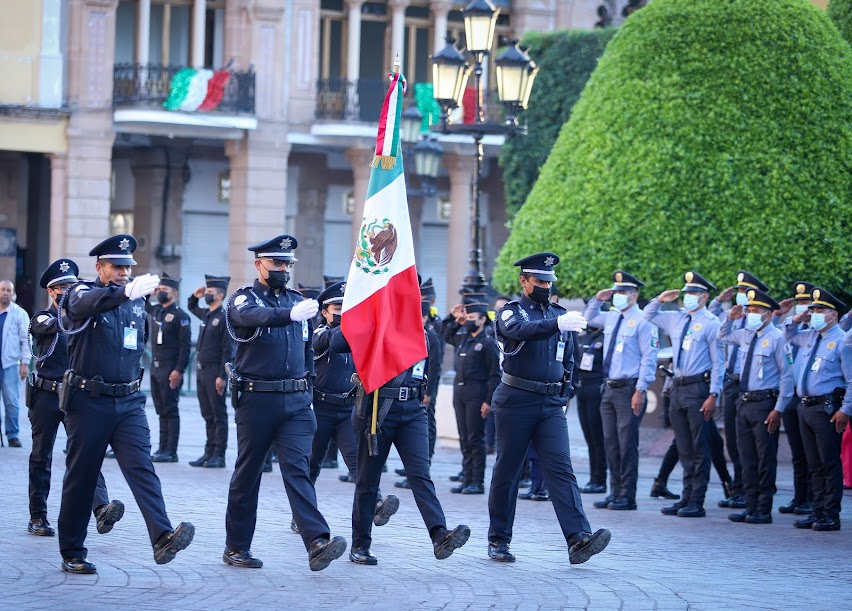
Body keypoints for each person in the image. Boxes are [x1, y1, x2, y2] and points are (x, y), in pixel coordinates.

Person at [58, 234, 194, 574]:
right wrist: (122, 292)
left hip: (129, 401)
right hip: (90, 400)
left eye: (127, 267)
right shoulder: (80, 292)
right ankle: (72, 549)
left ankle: (162, 537)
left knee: (141, 467)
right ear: (100, 267)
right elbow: (85, 305)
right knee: (83, 476)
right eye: (116, 267)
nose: (123, 272)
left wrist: (129, 295)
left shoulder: (137, 302)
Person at [222, 235, 346, 571]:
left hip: (295, 401)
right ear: (258, 264)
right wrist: (289, 314)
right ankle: (236, 547)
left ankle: (317, 541)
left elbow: (307, 354)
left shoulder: (298, 302)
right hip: (256, 399)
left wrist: (307, 392)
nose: (282, 269)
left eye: (287, 263)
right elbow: (254, 318)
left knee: (298, 470)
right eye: (276, 263)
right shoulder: (244, 299)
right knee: (248, 473)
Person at [488, 252, 610, 565]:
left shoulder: (559, 313)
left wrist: (565, 392)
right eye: (539, 280)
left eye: (548, 281)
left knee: (561, 468)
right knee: (508, 470)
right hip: (516, 399)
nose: (544, 285)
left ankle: (578, 538)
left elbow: (568, 356)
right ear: (523, 281)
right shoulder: (511, 313)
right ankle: (499, 540)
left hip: (550, 404)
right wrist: (555, 323)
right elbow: (519, 333)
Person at [26, 259, 124, 538]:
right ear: (52, 292)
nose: (67, 291)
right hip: (46, 395)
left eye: (72, 286)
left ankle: (102, 508)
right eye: (61, 288)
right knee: (40, 456)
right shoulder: (43, 317)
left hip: (75, 395)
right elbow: (49, 326)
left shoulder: (85, 318)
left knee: (87, 453)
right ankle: (38, 516)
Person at [304, 281, 399, 531]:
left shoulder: (357, 337)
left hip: (348, 410)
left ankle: (377, 504)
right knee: (312, 465)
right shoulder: (319, 332)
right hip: (321, 409)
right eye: (337, 308)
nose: (342, 312)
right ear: (324, 312)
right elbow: (331, 340)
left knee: (358, 462)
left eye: (346, 307)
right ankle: (303, 513)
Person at [644, 271, 724, 518]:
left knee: (700, 448)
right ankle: (686, 497)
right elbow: (647, 315)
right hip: (677, 386)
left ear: (704, 296)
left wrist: (714, 394)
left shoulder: (711, 323)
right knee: (684, 447)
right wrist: (660, 298)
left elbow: (718, 362)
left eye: (693, 293)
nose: (688, 297)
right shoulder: (676, 318)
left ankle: (697, 501)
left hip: (698, 388)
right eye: (686, 292)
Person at [718, 289, 794, 523]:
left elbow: (787, 376)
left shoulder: (778, 338)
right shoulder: (746, 335)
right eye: (749, 310)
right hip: (744, 401)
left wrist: (778, 409)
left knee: (764, 458)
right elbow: (722, 337)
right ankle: (750, 505)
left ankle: (763, 508)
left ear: (769, 314)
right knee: (746, 457)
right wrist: (731, 318)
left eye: (756, 311)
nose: (750, 314)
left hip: (765, 403)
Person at [585, 271, 658, 510]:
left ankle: (627, 495)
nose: (617, 296)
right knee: (611, 442)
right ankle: (614, 491)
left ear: (634, 295)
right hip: (609, 387)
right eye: (615, 292)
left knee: (627, 443)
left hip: (629, 388)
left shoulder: (643, 321)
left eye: (622, 292)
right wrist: (598, 298)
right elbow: (590, 317)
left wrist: (641, 389)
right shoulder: (613, 316)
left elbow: (649, 357)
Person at [785, 288, 852, 531]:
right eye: (812, 310)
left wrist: (846, 410)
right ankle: (816, 510)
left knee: (828, 463)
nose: (813, 314)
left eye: (819, 310)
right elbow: (788, 335)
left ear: (833, 315)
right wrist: (796, 318)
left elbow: (851, 379)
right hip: (805, 407)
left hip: (826, 408)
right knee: (814, 464)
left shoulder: (842, 341)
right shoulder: (810, 337)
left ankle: (830, 515)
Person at [708, 271, 771, 509]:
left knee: (754, 446)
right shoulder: (734, 317)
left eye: (745, 292)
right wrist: (719, 301)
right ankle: (739, 487)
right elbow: (714, 324)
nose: (741, 296)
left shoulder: (762, 321)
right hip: (733, 383)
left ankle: (750, 491)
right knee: (734, 442)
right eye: (740, 292)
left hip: (754, 388)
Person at [442, 295, 501, 495]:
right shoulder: (462, 338)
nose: (468, 319)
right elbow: (444, 333)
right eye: (466, 316)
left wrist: (488, 401)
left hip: (477, 393)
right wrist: (452, 317)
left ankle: (477, 481)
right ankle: (467, 479)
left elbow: (495, 375)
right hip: (460, 392)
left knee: (475, 439)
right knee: (464, 438)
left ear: (482, 319)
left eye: (472, 316)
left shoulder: (487, 342)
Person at [187, 275, 234, 468]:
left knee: (218, 414)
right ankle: (208, 452)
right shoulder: (207, 314)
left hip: (215, 372)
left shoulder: (224, 318)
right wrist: (194, 296)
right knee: (207, 413)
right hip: (202, 371)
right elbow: (191, 307)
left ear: (221, 295)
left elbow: (228, 349)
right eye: (206, 292)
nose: (206, 295)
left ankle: (219, 455)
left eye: (210, 293)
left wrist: (222, 376)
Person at [145, 273, 191, 462]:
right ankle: (162, 448)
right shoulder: (157, 311)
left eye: (165, 290)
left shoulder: (180, 316)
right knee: (160, 410)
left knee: (170, 410)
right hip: (155, 368)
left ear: (175, 294)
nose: (162, 293)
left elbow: (185, 346)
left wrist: (179, 370)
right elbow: (144, 304)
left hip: (170, 369)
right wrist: (150, 292)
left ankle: (171, 451)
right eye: (160, 289)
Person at [572, 319, 607, 494]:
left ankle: (600, 479)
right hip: (582, 387)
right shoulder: (585, 336)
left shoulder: (606, 337)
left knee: (598, 436)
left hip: (596, 387)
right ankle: (594, 477)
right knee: (589, 438)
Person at [0, 279, 29, 447]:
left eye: (8, 290)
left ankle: (12, 434)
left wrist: (25, 363)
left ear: (12, 294)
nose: (5, 293)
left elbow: (26, 339)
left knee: (11, 400)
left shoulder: (19, 314)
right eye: (2, 289)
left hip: (10, 364)